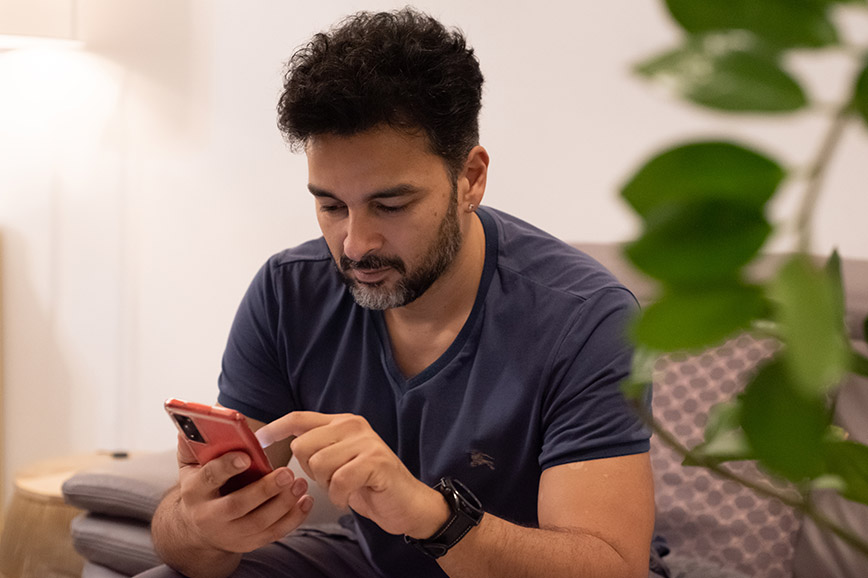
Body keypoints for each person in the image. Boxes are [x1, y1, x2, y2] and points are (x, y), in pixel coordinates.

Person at [145, 8, 668, 578]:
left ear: (470, 179)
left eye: (391, 206)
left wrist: (431, 515)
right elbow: (188, 545)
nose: (354, 244)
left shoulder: (585, 318)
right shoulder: (285, 292)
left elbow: (613, 568)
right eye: (330, 206)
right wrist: (198, 526)